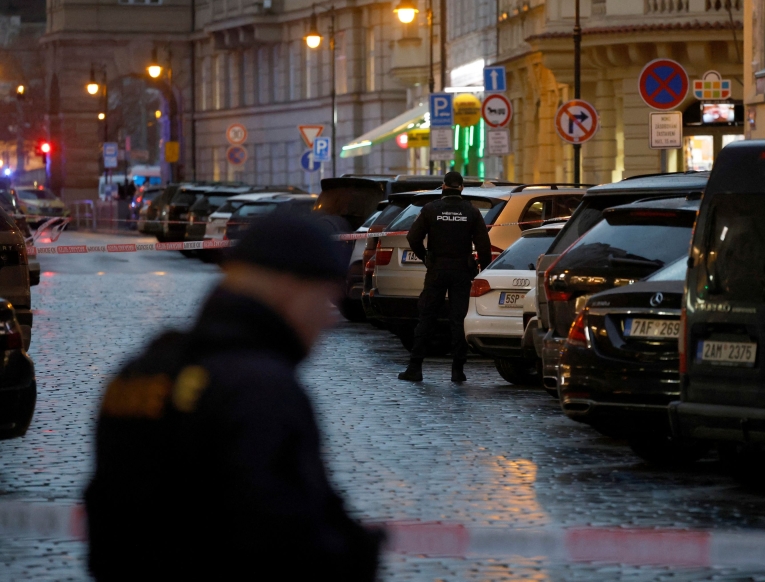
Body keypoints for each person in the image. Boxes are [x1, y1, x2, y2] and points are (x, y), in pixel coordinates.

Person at [85, 213, 381, 582]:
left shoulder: (139, 372)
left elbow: (105, 524)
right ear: (289, 286)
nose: (330, 317)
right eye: (325, 297)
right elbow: (284, 537)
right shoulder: (261, 390)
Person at [399, 171, 492, 383]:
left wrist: (426, 258)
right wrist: (484, 270)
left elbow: (413, 237)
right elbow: (484, 246)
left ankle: (415, 368)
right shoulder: (471, 211)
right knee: (458, 320)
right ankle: (457, 371)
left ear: (443, 186)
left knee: (427, 317)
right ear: (461, 188)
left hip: (436, 270)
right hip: (461, 270)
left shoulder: (431, 209)